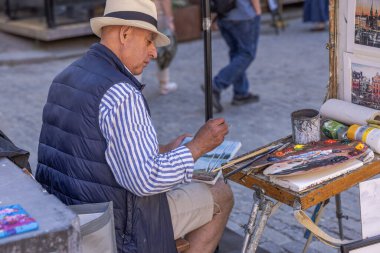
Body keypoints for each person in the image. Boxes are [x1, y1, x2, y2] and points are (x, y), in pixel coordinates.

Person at [35, 0, 233, 253]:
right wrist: (196, 148)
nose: (154, 52)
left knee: (187, 180)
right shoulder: (121, 93)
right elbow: (145, 181)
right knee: (221, 191)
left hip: (68, 214)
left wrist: (164, 150)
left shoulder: (66, 76)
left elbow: (94, 152)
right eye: (149, 41)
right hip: (117, 230)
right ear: (125, 34)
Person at [211, 0, 262, 113]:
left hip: (224, 16)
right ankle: (216, 85)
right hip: (243, 15)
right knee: (247, 54)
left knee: (236, 53)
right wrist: (258, 11)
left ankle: (240, 92)